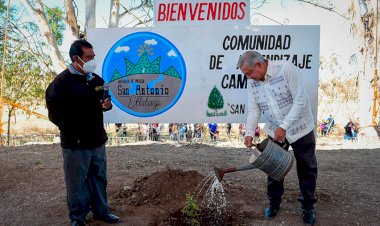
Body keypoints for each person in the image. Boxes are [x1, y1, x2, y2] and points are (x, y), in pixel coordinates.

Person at [237, 51, 317, 225]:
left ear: (259, 64)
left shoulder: (286, 69)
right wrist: (249, 132)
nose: (248, 78)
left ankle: (308, 206)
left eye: (249, 73)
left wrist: (285, 126)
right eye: (246, 75)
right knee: (273, 167)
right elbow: (254, 109)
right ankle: (274, 203)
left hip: (301, 128)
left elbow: (301, 100)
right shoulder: (253, 82)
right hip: (275, 129)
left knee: (307, 168)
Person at [45, 40, 119, 226]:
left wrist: (107, 105)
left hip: (97, 141)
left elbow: (104, 103)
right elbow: (55, 115)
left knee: (99, 178)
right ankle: (78, 217)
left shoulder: (97, 80)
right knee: (76, 182)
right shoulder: (60, 84)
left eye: (93, 57)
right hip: (75, 144)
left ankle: (102, 212)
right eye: (88, 57)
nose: (92, 60)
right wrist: (76, 131)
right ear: (76, 59)